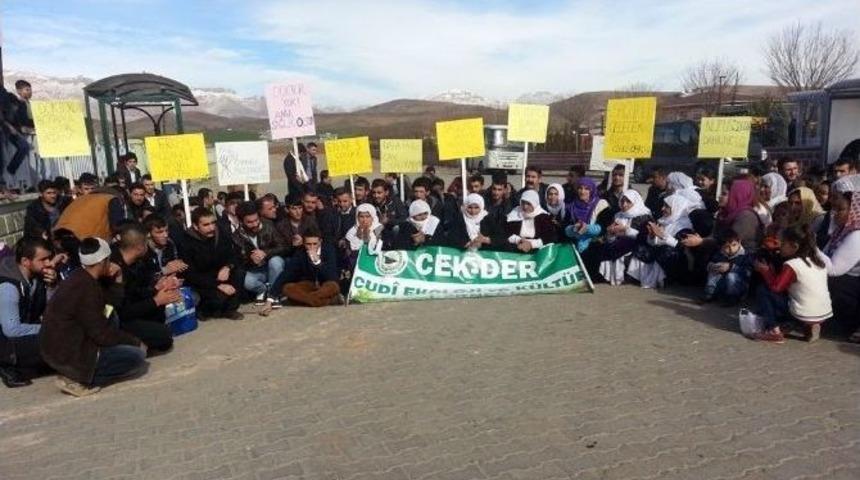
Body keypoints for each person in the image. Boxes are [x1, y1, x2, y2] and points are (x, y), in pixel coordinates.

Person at [40, 237, 148, 397]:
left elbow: (110, 307)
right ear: (103, 261)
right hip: (69, 352)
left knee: (113, 317)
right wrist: (135, 342)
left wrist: (118, 279)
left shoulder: (80, 277)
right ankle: (79, 378)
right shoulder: (86, 288)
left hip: (59, 346)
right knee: (136, 357)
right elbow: (101, 334)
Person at [752, 226, 832, 343]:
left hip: (803, 312)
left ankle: (773, 331)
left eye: (783, 243)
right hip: (823, 313)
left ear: (794, 246)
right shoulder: (818, 262)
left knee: (763, 290)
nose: (780, 247)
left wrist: (764, 270)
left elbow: (776, 288)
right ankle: (807, 326)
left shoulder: (792, 265)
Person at [108, 225, 176, 355]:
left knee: (160, 311)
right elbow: (122, 310)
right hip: (117, 319)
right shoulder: (114, 270)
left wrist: (157, 288)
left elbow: (138, 291)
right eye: (146, 243)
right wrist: (155, 301)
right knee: (164, 336)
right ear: (139, 247)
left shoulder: (137, 262)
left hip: (133, 308)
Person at [0, 239, 56, 388]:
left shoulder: (36, 279)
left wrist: (51, 287)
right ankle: (9, 367)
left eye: (49, 258)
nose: (49, 263)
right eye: (43, 259)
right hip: (7, 344)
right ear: (25, 261)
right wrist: (49, 328)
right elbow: (11, 330)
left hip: (24, 335)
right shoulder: (8, 287)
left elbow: (52, 311)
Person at [181, 207, 243, 320]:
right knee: (218, 299)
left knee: (239, 272)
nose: (211, 228)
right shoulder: (186, 242)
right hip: (202, 281)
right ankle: (204, 310)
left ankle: (230, 310)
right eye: (206, 225)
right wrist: (218, 285)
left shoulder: (221, 234)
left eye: (213, 223)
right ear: (195, 226)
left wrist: (227, 267)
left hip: (221, 274)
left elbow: (233, 255)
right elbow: (190, 274)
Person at [628, 194, 696, 289]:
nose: (662, 209)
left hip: (679, 259)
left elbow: (682, 247)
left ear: (676, 207)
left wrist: (663, 236)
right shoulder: (663, 221)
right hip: (660, 251)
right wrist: (651, 236)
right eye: (663, 206)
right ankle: (639, 277)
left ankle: (664, 280)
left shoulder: (685, 225)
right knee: (641, 247)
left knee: (666, 251)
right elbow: (654, 242)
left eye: (667, 207)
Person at [820, 190, 860, 342]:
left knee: (833, 283)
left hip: (852, 288)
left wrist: (810, 247)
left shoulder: (857, 235)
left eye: (841, 209)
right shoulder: (842, 231)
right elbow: (825, 255)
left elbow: (834, 269)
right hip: (850, 284)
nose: (835, 214)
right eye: (834, 209)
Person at [233, 201, 288, 306]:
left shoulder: (268, 225)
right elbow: (238, 260)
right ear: (241, 221)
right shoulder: (236, 236)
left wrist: (265, 253)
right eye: (249, 222)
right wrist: (251, 259)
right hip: (255, 269)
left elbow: (283, 246)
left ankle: (273, 294)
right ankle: (263, 290)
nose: (255, 224)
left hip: (272, 265)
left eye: (256, 220)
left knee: (276, 261)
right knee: (246, 281)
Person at [598, 190, 653, 285]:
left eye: (628, 202)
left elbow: (644, 237)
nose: (624, 204)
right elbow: (610, 236)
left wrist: (626, 230)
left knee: (623, 244)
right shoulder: (618, 215)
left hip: (637, 244)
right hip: (619, 242)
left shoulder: (644, 216)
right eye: (622, 201)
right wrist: (611, 233)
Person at [280, 226, 341, 307]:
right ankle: (326, 301)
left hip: (325, 284)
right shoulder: (301, 253)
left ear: (320, 242)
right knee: (287, 288)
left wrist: (318, 262)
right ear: (304, 243)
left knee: (333, 286)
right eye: (308, 244)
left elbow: (332, 276)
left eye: (315, 244)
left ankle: (303, 300)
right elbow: (287, 274)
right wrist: (271, 298)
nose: (312, 247)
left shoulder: (328, 250)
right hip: (309, 284)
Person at [701, 229, 752, 305]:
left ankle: (732, 298)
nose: (731, 249)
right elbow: (710, 263)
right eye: (727, 247)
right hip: (721, 283)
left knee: (731, 276)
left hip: (737, 286)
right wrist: (712, 266)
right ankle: (710, 293)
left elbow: (747, 272)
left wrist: (731, 267)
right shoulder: (720, 254)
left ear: (739, 242)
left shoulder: (745, 255)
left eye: (734, 245)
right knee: (714, 270)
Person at [564, 177, 610, 253]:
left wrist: (587, 228)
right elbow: (565, 227)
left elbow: (604, 227)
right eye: (580, 188)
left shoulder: (601, 205)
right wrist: (573, 228)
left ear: (592, 190)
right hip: (574, 247)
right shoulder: (571, 206)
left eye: (586, 189)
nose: (582, 192)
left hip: (595, 246)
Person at [3, 80, 35, 176]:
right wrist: (20, 128)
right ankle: (10, 171)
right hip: (13, 132)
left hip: (24, 132)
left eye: (30, 90)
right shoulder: (17, 104)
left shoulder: (27, 104)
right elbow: (14, 121)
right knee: (24, 147)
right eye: (27, 90)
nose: (30, 92)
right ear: (19, 91)